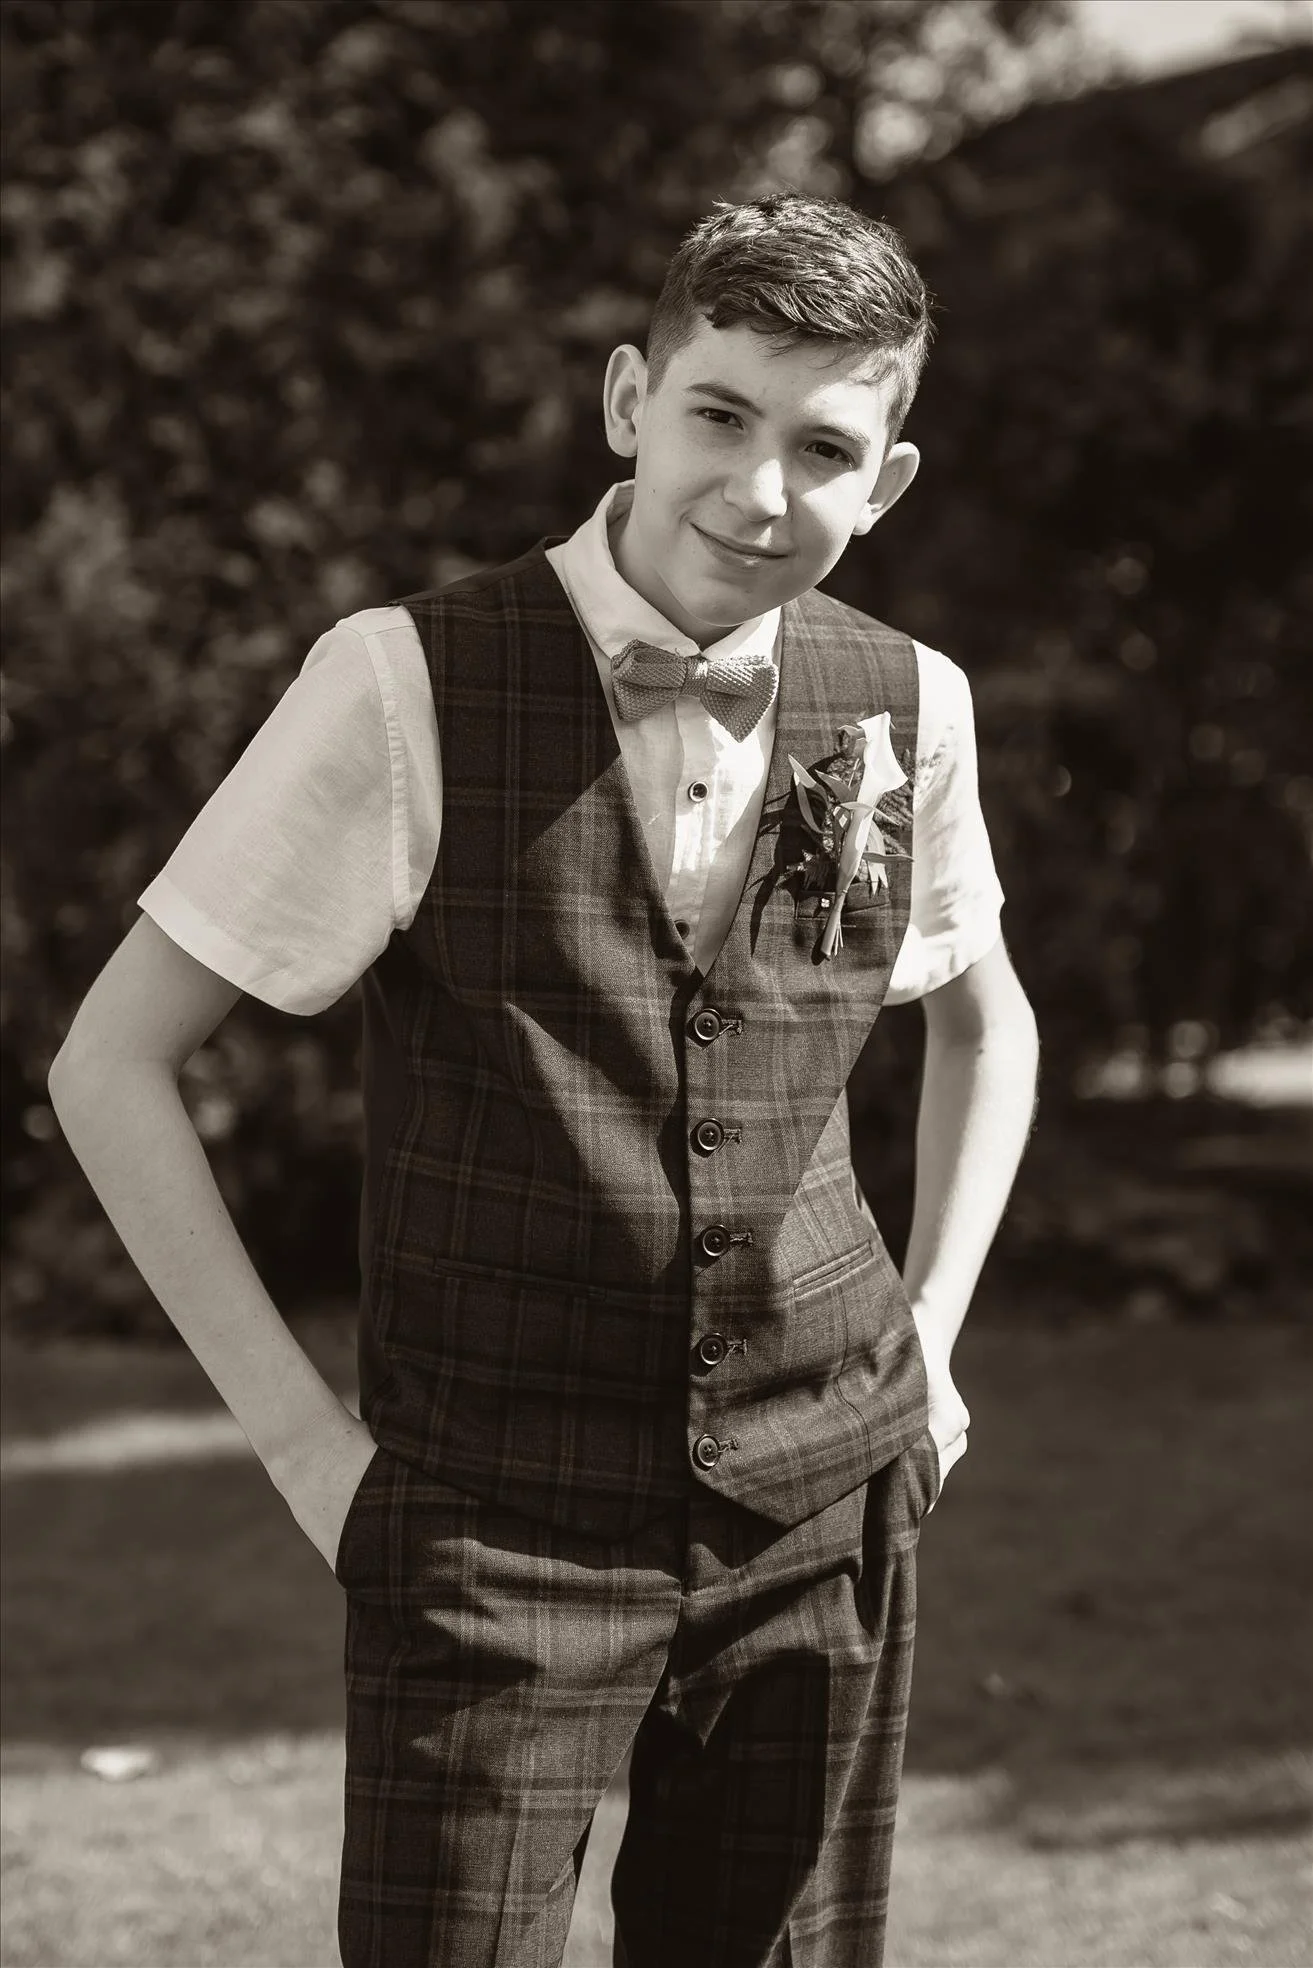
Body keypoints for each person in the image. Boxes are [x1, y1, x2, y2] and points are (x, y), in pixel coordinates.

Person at [48, 192, 1040, 1968]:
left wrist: (937, 1349)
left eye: (824, 449)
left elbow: (987, 1023)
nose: (759, 490)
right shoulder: (401, 681)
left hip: (825, 1497)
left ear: (885, 482)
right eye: (720, 415)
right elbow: (111, 1062)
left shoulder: (913, 701)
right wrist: (307, 1452)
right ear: (629, 400)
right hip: (490, 1524)